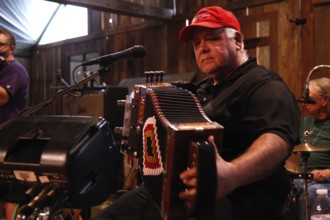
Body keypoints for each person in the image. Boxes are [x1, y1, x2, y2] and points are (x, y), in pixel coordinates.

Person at [92, 6, 300, 220]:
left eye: (212, 39)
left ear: (237, 40)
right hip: (179, 192)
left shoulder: (262, 84)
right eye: (197, 43)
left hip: (242, 199)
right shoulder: (203, 89)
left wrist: (232, 174)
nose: (203, 48)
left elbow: (278, 138)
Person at [0, 28, 29, 220]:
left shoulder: (15, 70)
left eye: (0, 44)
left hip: (8, 138)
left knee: (10, 192)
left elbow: (2, 98)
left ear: (12, 48)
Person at [292, 77, 330, 219]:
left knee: (312, 193)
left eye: (309, 99)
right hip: (304, 177)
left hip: (325, 182)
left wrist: (327, 172)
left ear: (325, 100)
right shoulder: (306, 122)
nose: (305, 104)